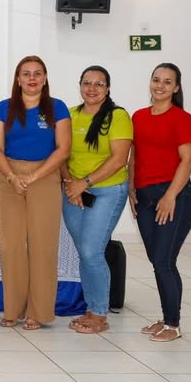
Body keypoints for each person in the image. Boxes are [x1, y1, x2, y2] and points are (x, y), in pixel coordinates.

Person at [0, 55, 71, 330]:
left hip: (45, 177)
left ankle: (38, 312)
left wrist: (34, 175)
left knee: (42, 246)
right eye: (26, 74)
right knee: (10, 246)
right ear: (18, 79)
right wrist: (12, 177)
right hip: (9, 179)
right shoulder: (4, 108)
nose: (32, 78)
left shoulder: (58, 108)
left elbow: (63, 149)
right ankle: (13, 310)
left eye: (38, 73)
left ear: (45, 78)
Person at [130, 63, 191, 342]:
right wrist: (131, 189)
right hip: (144, 197)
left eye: (167, 82)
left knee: (163, 260)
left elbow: (188, 159)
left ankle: (173, 323)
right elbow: (134, 156)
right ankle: (166, 316)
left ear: (176, 87)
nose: (160, 85)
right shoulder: (138, 116)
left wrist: (170, 195)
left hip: (176, 197)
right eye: (156, 79)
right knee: (157, 260)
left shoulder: (182, 119)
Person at [61, 66, 132, 335]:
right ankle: (91, 307)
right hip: (74, 192)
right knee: (86, 252)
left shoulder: (118, 116)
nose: (92, 88)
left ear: (108, 88)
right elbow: (61, 153)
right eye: (87, 83)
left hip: (107, 191)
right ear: (79, 85)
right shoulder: (70, 114)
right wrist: (70, 183)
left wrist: (84, 183)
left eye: (99, 84)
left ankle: (99, 312)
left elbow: (118, 159)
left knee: (92, 250)